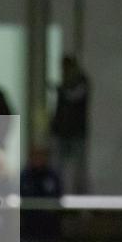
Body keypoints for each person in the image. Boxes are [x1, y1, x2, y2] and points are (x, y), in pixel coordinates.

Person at [51, 55, 90, 194]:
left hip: (75, 132)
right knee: (59, 169)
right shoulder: (66, 84)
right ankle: (59, 195)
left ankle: (80, 201)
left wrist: (60, 89)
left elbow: (73, 96)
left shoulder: (80, 82)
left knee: (78, 171)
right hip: (63, 131)